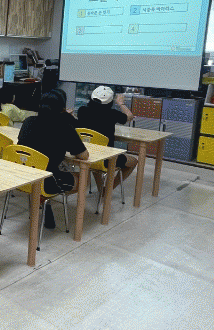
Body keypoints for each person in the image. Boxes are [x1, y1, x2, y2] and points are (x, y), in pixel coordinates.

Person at [18, 91, 89, 229]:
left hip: (23, 178)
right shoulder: (64, 127)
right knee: (83, 179)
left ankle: (43, 199)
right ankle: (45, 197)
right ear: (62, 109)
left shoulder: (28, 121)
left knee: (46, 170)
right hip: (46, 181)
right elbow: (84, 155)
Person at [77, 85, 138, 188]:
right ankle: (108, 189)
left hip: (86, 155)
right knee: (134, 161)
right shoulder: (112, 114)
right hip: (105, 159)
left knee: (96, 162)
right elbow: (130, 116)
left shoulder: (82, 111)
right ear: (110, 102)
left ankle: (101, 190)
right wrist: (121, 103)